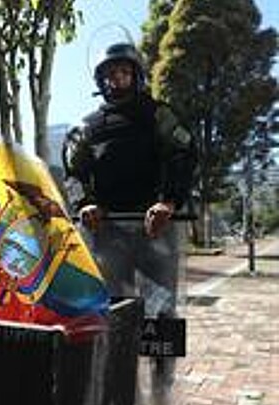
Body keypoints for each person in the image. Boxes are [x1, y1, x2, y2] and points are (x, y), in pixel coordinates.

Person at [62, 43, 196, 403]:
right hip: (107, 234)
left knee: (162, 314)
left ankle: (163, 394)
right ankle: (120, 393)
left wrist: (168, 200)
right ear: (100, 80)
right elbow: (74, 172)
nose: (115, 78)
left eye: (122, 71)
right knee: (113, 314)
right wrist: (85, 203)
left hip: (158, 230)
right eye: (108, 73)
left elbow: (184, 153)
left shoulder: (158, 115)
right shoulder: (87, 126)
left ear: (136, 74)